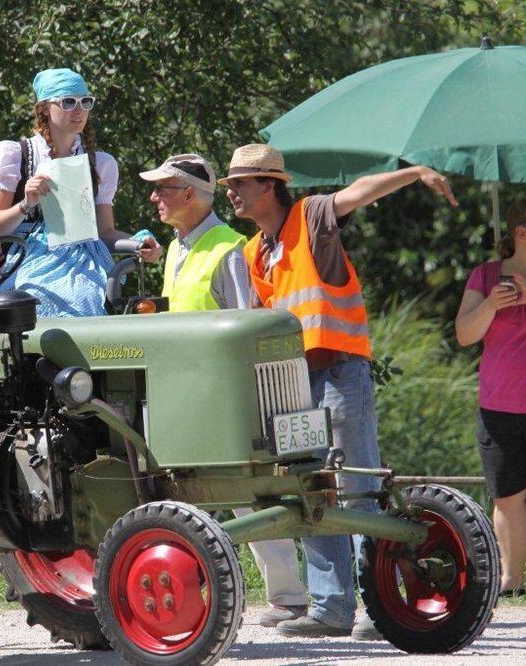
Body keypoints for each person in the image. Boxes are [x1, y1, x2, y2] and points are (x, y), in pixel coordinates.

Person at [221, 143, 457, 639]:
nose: (232, 194)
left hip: (339, 372)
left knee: (357, 487)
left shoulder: (310, 216)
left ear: (269, 185)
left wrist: (412, 173)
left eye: (240, 184)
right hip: (293, 385)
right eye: (229, 185)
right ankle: (331, 608)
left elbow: (358, 194)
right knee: (311, 489)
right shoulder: (251, 252)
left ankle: (378, 605)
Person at [140, 152, 309, 627]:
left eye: (162, 189)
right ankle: (198, 599)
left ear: (189, 195)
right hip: (183, 392)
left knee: (249, 494)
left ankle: (289, 597)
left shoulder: (228, 247)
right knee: (183, 499)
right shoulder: (176, 247)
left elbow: (245, 324)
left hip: (225, 396)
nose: (154, 197)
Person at [0, 67, 161, 318]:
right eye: (68, 102)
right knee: (42, 296)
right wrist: (25, 204)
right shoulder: (16, 155)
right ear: (44, 108)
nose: (79, 110)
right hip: (27, 260)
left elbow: (104, 232)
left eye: (85, 102)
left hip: (84, 263)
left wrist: (137, 245)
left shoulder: (99, 164)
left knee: (94, 297)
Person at [455, 201, 526, 598]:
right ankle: (511, 583)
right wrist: (491, 304)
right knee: (507, 497)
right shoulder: (485, 276)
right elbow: (465, 334)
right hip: (500, 406)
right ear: (521, 233)